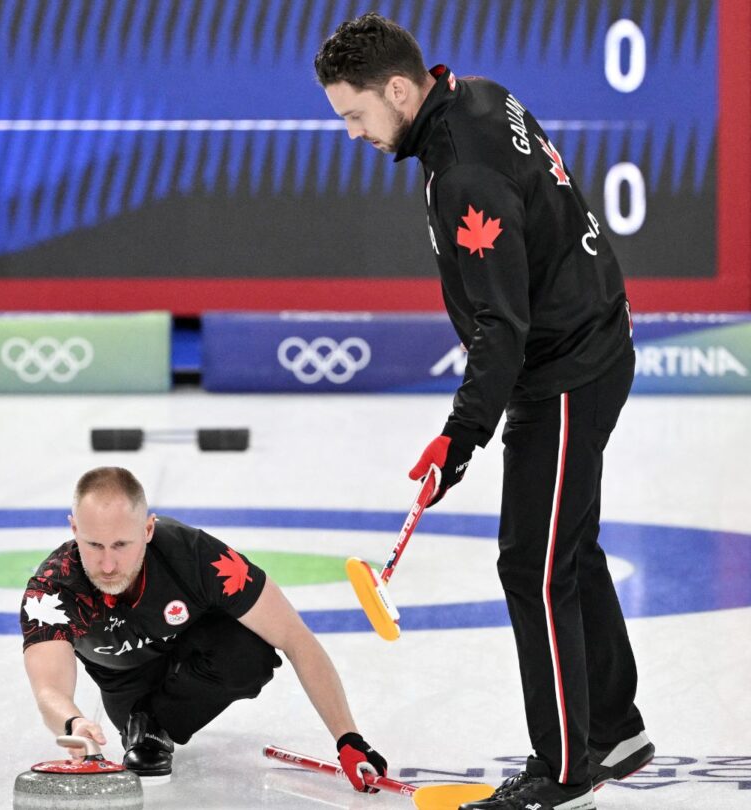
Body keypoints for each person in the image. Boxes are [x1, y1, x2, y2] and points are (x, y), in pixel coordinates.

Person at [314, 13, 654, 810]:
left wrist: (459, 437)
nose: (354, 132)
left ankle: (566, 767)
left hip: (565, 370)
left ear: (399, 90)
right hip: (584, 346)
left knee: (531, 568)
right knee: (563, 551)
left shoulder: (464, 169)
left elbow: (504, 326)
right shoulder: (474, 96)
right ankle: (614, 726)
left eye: (355, 114)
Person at [20, 466, 387, 793]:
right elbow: (49, 688)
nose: (108, 564)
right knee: (138, 723)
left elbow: (295, 638)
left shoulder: (196, 556)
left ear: (148, 530)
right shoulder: (54, 589)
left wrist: (347, 737)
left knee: (250, 656)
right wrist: (73, 722)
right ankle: (146, 721)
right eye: (94, 544)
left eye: (121, 544)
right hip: (128, 687)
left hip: (196, 651)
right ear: (73, 529)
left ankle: (158, 719)